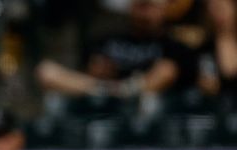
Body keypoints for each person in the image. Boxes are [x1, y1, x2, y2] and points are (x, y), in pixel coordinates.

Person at [35, 0, 196, 101]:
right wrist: (98, 71)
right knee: (46, 71)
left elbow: (168, 75)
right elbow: (91, 70)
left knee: (165, 71)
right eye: (140, 6)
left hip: (148, 102)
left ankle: (121, 92)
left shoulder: (174, 46)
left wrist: (130, 88)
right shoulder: (108, 39)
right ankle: (117, 93)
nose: (144, 14)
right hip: (102, 94)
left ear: (163, 9)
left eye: (149, 6)